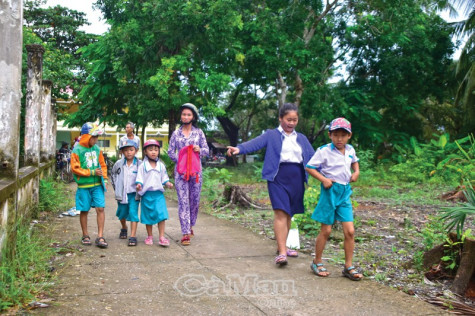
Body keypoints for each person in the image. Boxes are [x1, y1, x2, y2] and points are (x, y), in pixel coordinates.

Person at [227, 103, 315, 266]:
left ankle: (285, 246)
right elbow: (255, 143)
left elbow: (315, 157)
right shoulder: (271, 135)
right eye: (288, 119)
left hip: (297, 177)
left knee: (289, 214)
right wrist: (239, 149)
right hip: (277, 177)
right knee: (281, 212)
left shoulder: (301, 138)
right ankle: (282, 253)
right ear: (280, 118)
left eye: (295, 120)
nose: (291, 123)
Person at [305, 117, 363, 281]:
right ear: (330, 135)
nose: (339, 139)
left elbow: (355, 162)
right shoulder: (324, 150)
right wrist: (323, 179)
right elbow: (309, 167)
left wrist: (356, 172)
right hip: (330, 191)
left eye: (343, 135)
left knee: (350, 231)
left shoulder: (350, 149)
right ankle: (317, 261)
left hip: (345, 192)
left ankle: (348, 266)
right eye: (336, 135)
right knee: (327, 230)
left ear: (349, 136)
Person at [167, 103, 209, 246]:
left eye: (189, 114)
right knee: (183, 201)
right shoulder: (176, 134)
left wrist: (199, 149)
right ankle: (185, 232)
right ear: (181, 116)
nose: (186, 117)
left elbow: (207, 151)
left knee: (194, 201)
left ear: (193, 117)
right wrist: (181, 160)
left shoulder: (199, 133)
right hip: (180, 173)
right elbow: (170, 152)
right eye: (184, 114)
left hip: (196, 173)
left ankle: (190, 224)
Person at [71, 122, 109, 248]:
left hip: (97, 185)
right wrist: (91, 172)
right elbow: (75, 168)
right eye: (93, 137)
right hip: (83, 187)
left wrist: (105, 178)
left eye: (97, 137)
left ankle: (100, 236)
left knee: (100, 208)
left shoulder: (97, 149)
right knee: (84, 210)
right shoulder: (77, 150)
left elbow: (103, 165)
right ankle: (85, 235)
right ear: (86, 136)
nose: (95, 140)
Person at [136, 139, 173, 246]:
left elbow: (164, 178)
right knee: (148, 216)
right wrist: (139, 185)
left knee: (161, 215)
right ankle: (149, 236)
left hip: (158, 195)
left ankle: (162, 237)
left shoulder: (161, 165)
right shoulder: (142, 166)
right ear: (145, 152)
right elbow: (139, 178)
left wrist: (168, 183)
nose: (153, 152)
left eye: (156, 150)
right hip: (147, 195)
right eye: (150, 149)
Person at [110, 139, 141, 246]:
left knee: (133, 213)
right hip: (122, 194)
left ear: (136, 150)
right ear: (122, 152)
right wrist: (117, 187)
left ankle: (133, 236)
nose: (129, 152)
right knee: (122, 213)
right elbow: (113, 175)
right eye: (126, 150)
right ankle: (124, 227)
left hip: (134, 194)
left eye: (131, 150)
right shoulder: (118, 164)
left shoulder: (140, 164)